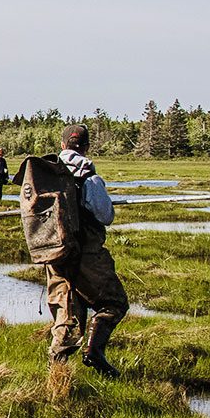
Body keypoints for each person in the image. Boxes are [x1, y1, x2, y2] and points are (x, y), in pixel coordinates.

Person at [41, 125, 128, 376]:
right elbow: (105, 215)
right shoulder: (88, 175)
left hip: (55, 255)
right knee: (114, 303)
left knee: (67, 314)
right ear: (87, 147)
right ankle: (95, 353)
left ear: (62, 145)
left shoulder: (46, 174)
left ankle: (57, 378)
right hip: (86, 254)